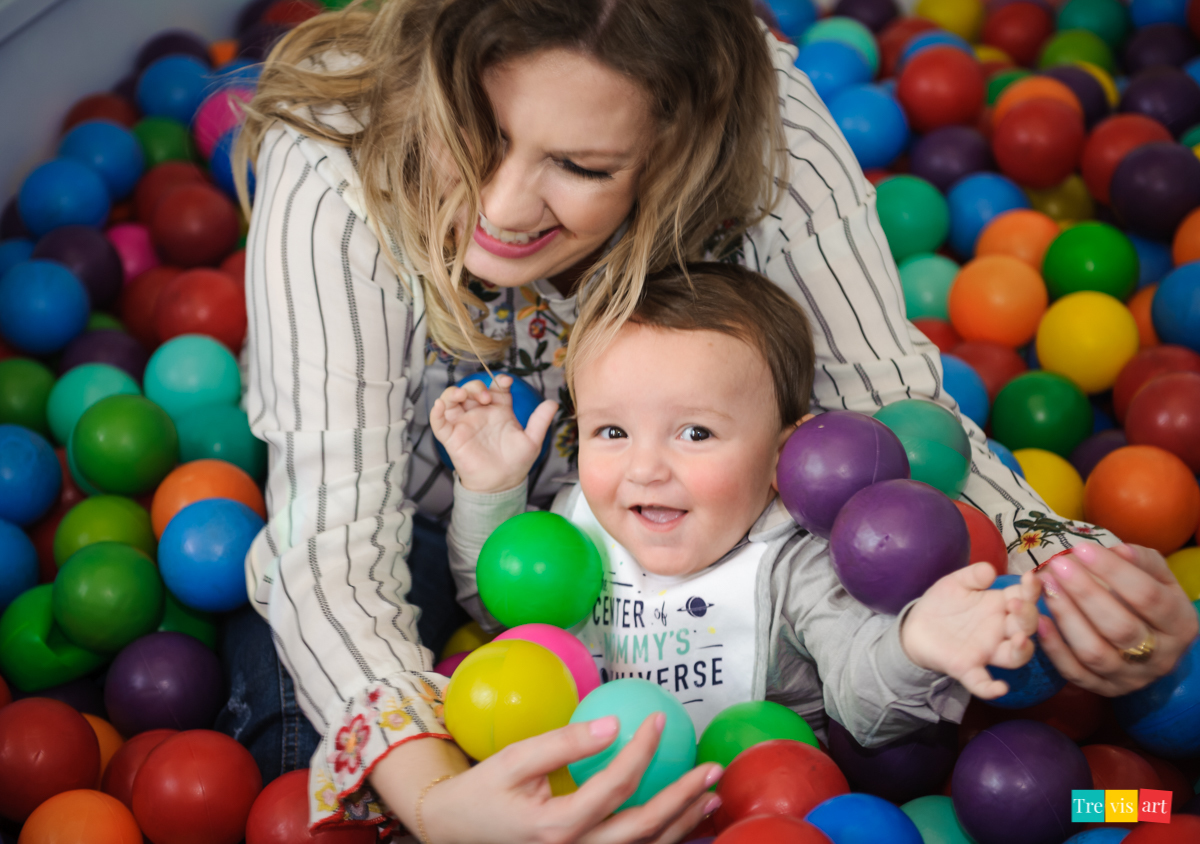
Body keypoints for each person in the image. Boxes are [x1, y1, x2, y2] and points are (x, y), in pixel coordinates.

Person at [230, 0, 1199, 839]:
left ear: (673, 149)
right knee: (317, 792)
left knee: (1029, 787)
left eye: (579, 163)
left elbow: (896, 422)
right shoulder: (336, 153)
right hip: (431, 524)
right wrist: (439, 806)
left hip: (765, 674)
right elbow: (351, 555)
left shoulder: (795, 554)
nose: (503, 203)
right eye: (474, 132)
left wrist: (1061, 571)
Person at [434, 262, 1044, 744]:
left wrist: (916, 642)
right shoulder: (577, 527)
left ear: (784, 457)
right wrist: (491, 488)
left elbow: (867, 712)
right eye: (612, 433)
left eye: (695, 433)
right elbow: (499, 614)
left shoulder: (798, 568)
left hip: (762, 814)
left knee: (1117, 804)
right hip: (589, 806)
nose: (644, 469)